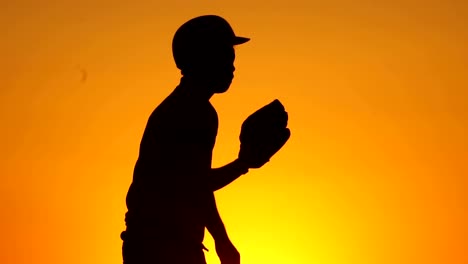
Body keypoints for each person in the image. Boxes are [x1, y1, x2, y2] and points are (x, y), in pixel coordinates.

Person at [121, 15, 289, 264]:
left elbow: (198, 189)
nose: (232, 66)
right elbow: (196, 184)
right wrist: (243, 163)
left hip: (168, 243)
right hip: (159, 246)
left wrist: (221, 239)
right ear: (201, 59)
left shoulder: (195, 108)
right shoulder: (190, 112)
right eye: (225, 57)